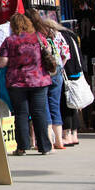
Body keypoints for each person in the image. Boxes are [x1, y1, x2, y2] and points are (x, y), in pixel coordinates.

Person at [0, 13, 52, 156]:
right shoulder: (39, 38)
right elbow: (49, 52)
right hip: (39, 81)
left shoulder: (9, 41)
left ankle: (22, 147)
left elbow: (1, 62)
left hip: (17, 82)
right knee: (39, 113)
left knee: (21, 114)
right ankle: (44, 146)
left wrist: (14, 60)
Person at [27, 9, 70, 151]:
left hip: (41, 73)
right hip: (56, 69)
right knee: (55, 105)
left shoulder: (32, 35)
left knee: (43, 106)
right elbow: (66, 53)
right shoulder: (53, 32)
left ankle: (48, 142)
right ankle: (59, 141)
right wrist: (58, 67)